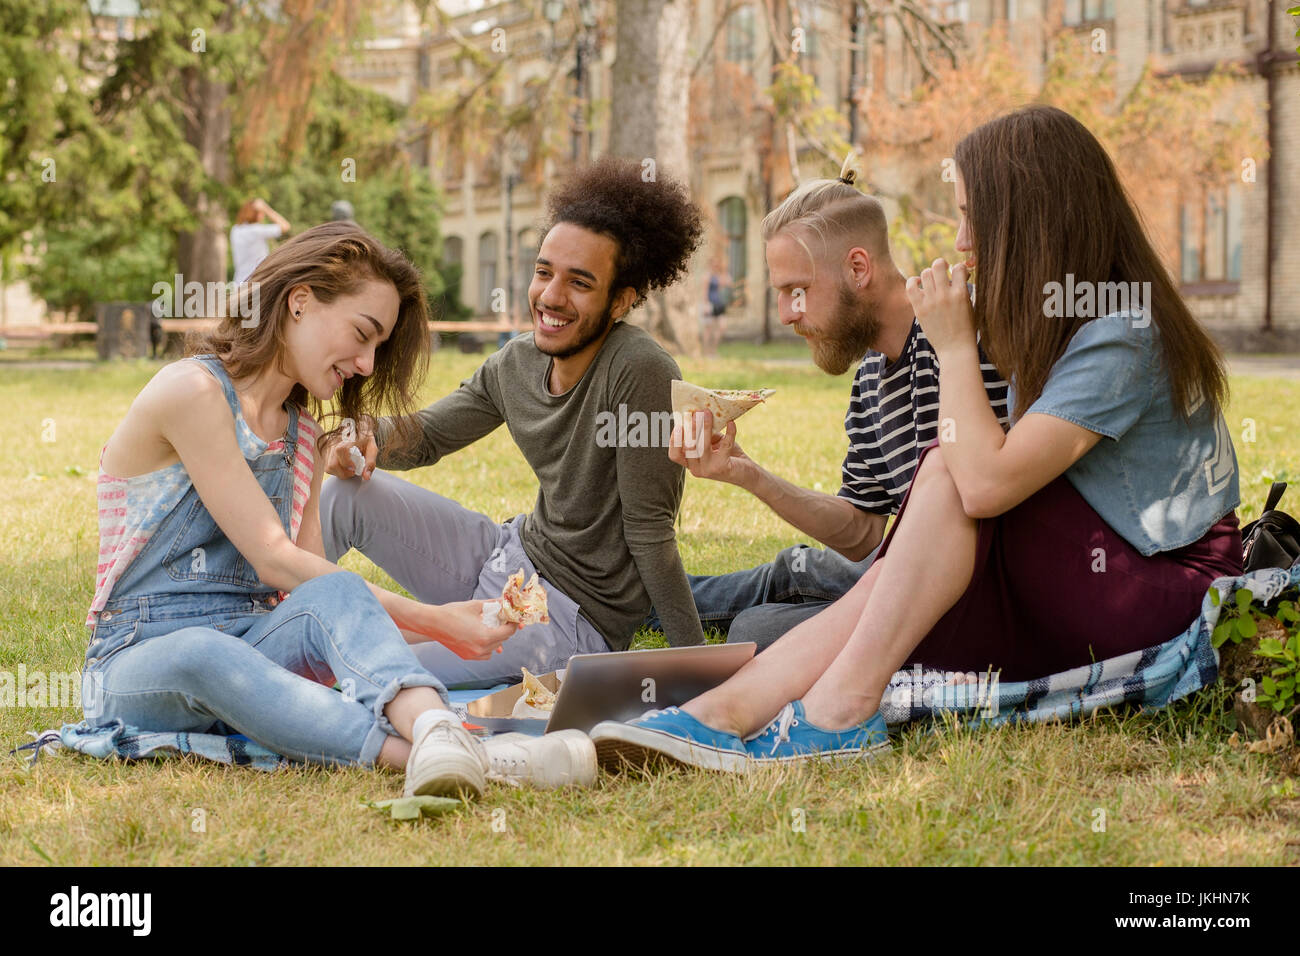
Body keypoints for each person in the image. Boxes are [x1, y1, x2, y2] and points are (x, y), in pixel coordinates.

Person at [594, 104, 1244, 769]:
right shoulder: (998, 341)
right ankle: (719, 714)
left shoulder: (1116, 333)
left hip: (1164, 593)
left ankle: (837, 711)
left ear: (1030, 219)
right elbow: (878, 527)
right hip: (1007, 566)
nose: (960, 241)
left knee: (934, 482)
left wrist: (957, 345)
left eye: (971, 216)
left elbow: (983, 486)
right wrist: (746, 474)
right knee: (800, 607)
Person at [79, 221, 594, 797]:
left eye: (378, 347)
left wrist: (441, 625)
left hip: (253, 643)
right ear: (300, 301)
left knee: (335, 590)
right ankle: (478, 756)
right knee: (206, 652)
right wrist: (436, 622)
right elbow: (276, 562)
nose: (368, 365)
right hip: (140, 660)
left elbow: (320, 593)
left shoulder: (301, 435)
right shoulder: (191, 393)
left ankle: (438, 731)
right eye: (363, 333)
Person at [320, 157, 708, 688]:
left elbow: (650, 533)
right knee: (346, 496)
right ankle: (249, 610)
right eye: (544, 272)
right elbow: (429, 435)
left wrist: (700, 670)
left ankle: (272, 658)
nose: (550, 296)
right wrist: (356, 438)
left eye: (580, 283)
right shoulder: (517, 363)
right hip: (506, 554)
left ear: (621, 301)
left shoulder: (640, 371)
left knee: (366, 668)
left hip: (567, 618)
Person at [644, 155, 1009, 649]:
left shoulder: (963, 331)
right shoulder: (872, 377)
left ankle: (649, 603)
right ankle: (641, 601)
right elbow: (861, 531)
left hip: (971, 593)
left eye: (797, 290)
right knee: (803, 568)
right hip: (906, 572)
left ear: (858, 268)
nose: (786, 315)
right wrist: (747, 473)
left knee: (759, 629)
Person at [231, 198, 291, 284]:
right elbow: (285, 226)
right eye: (261, 212)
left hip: (239, 281)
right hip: (256, 281)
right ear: (257, 214)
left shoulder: (235, 230)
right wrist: (266, 209)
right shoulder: (256, 231)